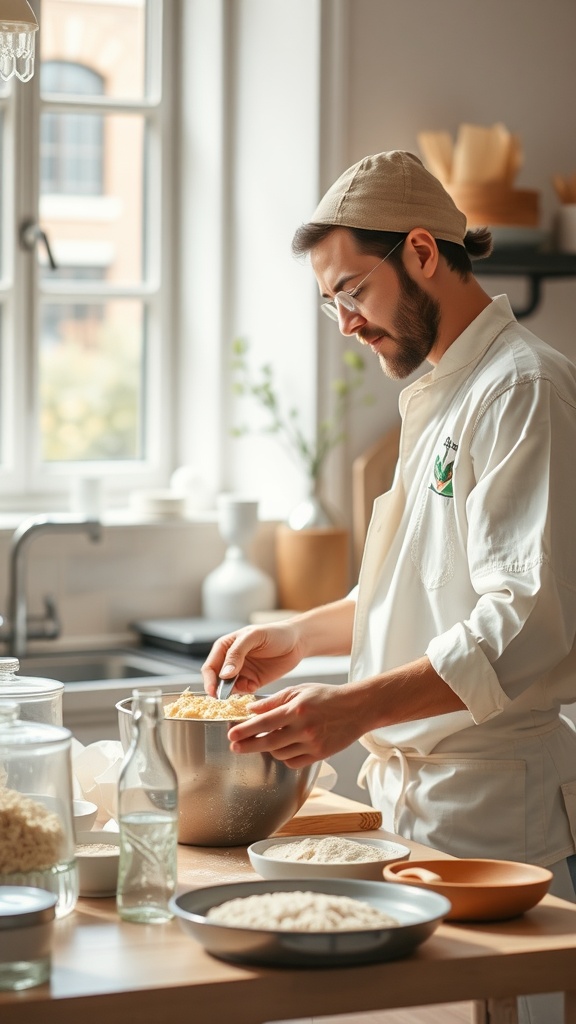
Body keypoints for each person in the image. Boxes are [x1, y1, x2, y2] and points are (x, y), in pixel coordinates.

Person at [202, 150, 576, 1022]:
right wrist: (301, 635)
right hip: (406, 808)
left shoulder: (523, 389)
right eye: (330, 302)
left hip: (492, 823)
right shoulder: (438, 395)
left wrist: (351, 709)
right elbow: (420, 592)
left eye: (352, 292)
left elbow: (523, 620)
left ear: (419, 252)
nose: (344, 323)